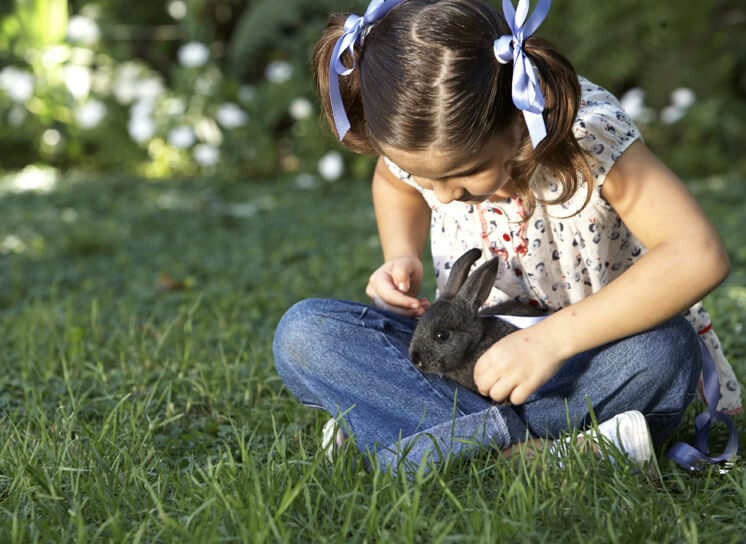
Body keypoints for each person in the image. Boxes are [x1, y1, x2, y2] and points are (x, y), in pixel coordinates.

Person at [272, 0, 741, 474]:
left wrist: (551, 342)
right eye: (424, 178)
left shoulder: (590, 138)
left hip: (578, 359)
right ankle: (540, 455)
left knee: (665, 351)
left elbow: (698, 254)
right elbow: (393, 181)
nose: (443, 196)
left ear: (517, 122)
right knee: (304, 333)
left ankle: (413, 431)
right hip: (462, 357)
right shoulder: (427, 145)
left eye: (466, 174)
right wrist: (400, 253)